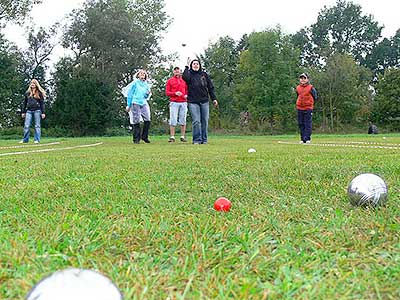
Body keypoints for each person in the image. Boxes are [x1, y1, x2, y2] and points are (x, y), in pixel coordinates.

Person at [182, 58, 218, 144]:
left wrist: (214, 98)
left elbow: (210, 87)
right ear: (191, 65)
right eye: (194, 64)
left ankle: (204, 140)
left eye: (197, 64)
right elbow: (185, 78)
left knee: (204, 120)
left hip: (204, 101)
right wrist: (186, 66)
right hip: (193, 101)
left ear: (199, 65)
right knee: (196, 121)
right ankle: (196, 140)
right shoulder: (189, 74)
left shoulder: (204, 74)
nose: (195, 65)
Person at [125, 70, 152, 144]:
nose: (143, 75)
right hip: (135, 102)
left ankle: (144, 137)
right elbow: (130, 94)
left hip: (143, 102)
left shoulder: (146, 84)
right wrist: (128, 104)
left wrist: (147, 94)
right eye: (141, 73)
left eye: (144, 74)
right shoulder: (135, 83)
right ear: (138, 75)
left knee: (147, 119)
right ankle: (136, 138)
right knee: (136, 120)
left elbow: (146, 96)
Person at [165, 67, 188, 142]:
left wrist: (186, 95)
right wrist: (175, 93)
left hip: (183, 102)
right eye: (175, 72)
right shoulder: (170, 81)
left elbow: (187, 90)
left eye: (178, 72)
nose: (177, 73)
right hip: (174, 102)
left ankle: (182, 136)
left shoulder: (184, 81)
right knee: (173, 119)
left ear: (180, 72)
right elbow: (167, 92)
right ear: (173, 72)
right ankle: (172, 136)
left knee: (183, 119)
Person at [20, 79, 46, 144]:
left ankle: (36, 139)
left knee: (37, 125)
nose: (32, 84)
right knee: (26, 125)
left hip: (37, 111)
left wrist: (43, 112)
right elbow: (24, 103)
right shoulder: (27, 93)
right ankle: (25, 140)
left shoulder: (39, 93)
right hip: (29, 111)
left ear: (36, 84)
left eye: (34, 83)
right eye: (31, 83)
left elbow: (42, 103)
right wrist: (23, 112)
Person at [295, 73, 317, 144]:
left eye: (304, 78)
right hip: (299, 108)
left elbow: (315, 96)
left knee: (307, 123)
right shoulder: (298, 88)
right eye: (301, 78)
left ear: (307, 79)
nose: (303, 80)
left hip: (308, 108)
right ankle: (302, 139)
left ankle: (307, 138)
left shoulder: (311, 87)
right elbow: (298, 95)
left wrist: (310, 103)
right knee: (301, 123)